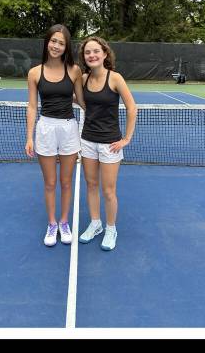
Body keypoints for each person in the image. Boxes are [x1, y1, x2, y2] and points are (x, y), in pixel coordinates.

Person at [25, 24, 85, 247]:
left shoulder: (75, 70)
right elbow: (32, 106)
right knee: (50, 183)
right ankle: (52, 224)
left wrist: (102, 103)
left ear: (66, 46)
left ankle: (64, 222)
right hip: (45, 129)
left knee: (66, 182)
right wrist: (29, 137)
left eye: (61, 42)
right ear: (47, 42)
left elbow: (80, 100)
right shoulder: (34, 73)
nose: (56, 46)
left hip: (69, 129)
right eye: (53, 41)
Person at [76, 36, 136, 251]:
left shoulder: (115, 78)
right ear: (84, 57)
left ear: (104, 54)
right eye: (87, 52)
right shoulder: (82, 79)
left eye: (95, 51)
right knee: (91, 185)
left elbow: (132, 107)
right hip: (87, 141)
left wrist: (126, 139)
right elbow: (78, 100)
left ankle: (111, 229)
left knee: (108, 191)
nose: (92, 55)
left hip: (110, 143)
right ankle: (96, 224)